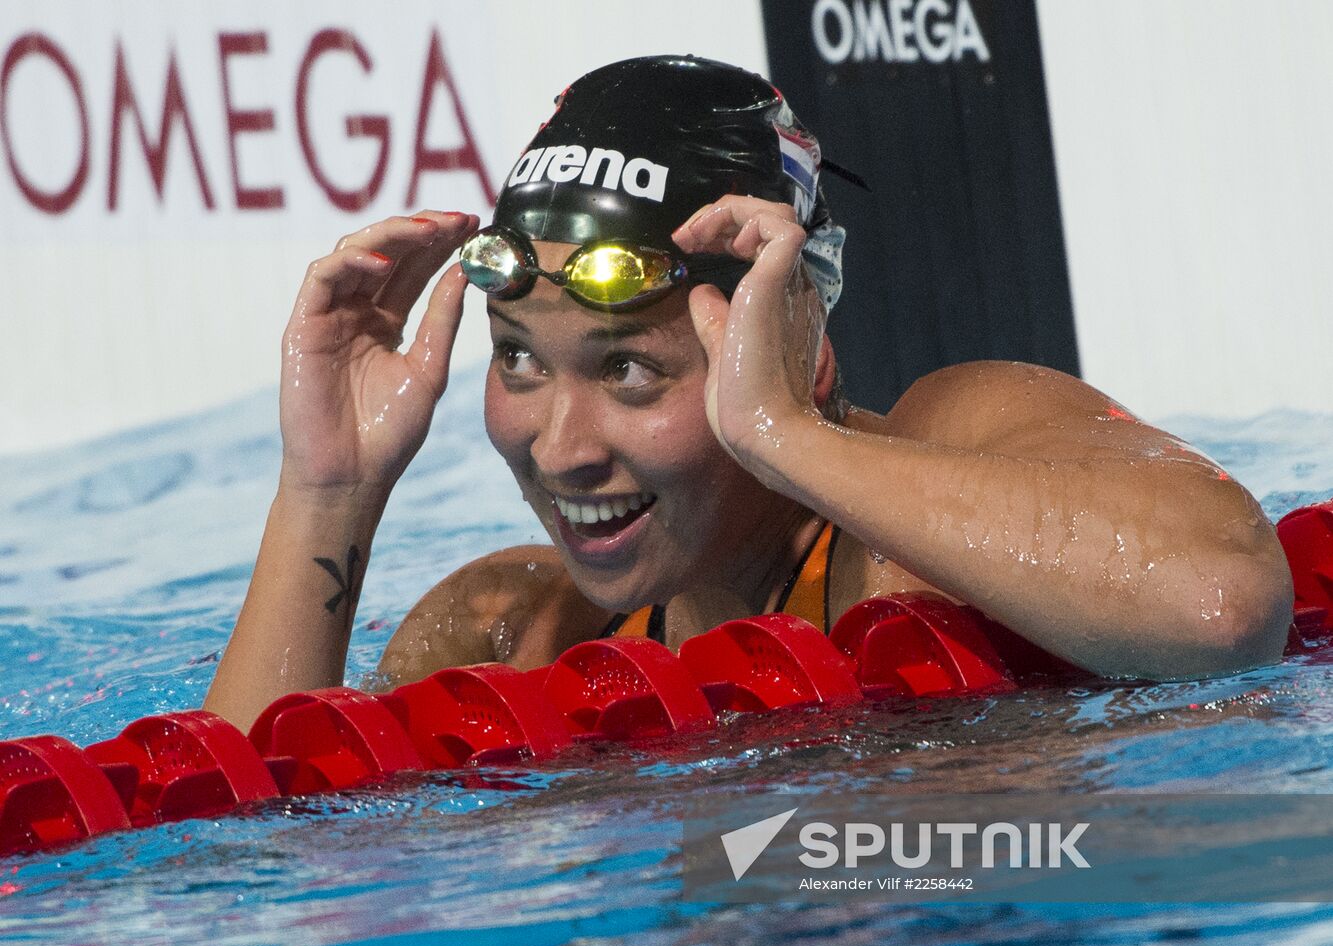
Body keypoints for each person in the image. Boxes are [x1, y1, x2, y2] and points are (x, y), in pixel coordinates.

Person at [204, 55, 1293, 732]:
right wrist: (327, 490)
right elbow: (235, 864)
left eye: (629, 368)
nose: (560, 446)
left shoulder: (950, 464)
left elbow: (1224, 605)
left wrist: (777, 430)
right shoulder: (511, 636)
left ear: (791, 344)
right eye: (521, 359)